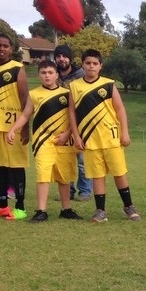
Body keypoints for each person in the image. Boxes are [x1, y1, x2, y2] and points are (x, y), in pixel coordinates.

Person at [69, 49, 141, 223]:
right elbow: (71, 112)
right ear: (83, 65)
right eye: (88, 63)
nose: (91, 66)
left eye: (95, 63)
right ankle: (100, 211)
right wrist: (76, 136)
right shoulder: (74, 86)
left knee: (119, 173)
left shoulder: (109, 84)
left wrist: (125, 131)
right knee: (97, 175)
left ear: (100, 66)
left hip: (111, 138)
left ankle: (128, 206)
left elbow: (120, 109)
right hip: (90, 140)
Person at [6, 58, 82, 222]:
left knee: (64, 176)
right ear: (39, 75)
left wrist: (68, 134)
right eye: (43, 73)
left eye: (50, 73)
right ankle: (41, 210)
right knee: (43, 174)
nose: (47, 76)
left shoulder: (66, 94)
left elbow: (74, 117)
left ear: (56, 75)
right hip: (42, 142)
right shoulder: (34, 94)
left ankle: (66, 209)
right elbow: (26, 114)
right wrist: (13, 129)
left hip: (63, 142)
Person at [54, 44, 93, 202]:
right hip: (61, 123)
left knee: (82, 160)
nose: (62, 59)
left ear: (70, 58)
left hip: (80, 122)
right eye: (58, 56)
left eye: (64, 56)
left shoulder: (80, 75)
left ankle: (85, 191)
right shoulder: (54, 75)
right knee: (65, 160)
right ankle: (67, 190)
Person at [0, 32, 29, 220]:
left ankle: (20, 207)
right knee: (0, 166)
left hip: (14, 126)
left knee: (17, 166)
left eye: (5, 46)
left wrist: (26, 127)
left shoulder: (17, 68)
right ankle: (2, 205)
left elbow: (25, 98)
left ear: (11, 49)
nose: (1, 49)